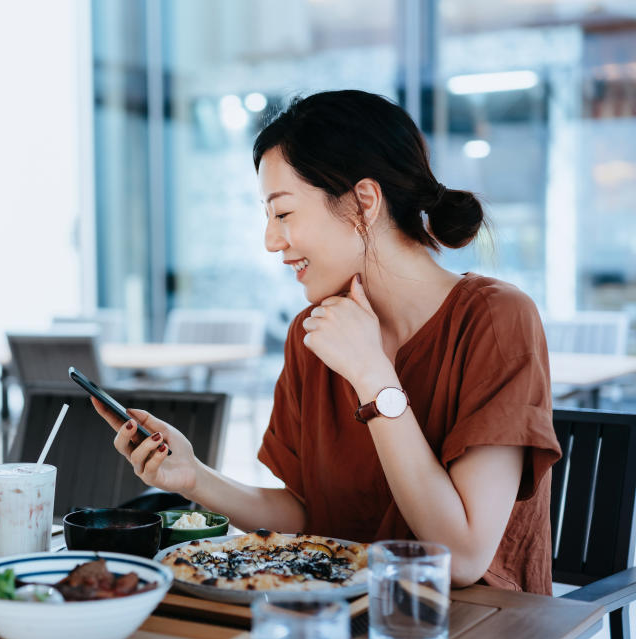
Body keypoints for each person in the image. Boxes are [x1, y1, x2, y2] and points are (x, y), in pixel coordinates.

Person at [91, 90, 561, 594]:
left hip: (467, 623)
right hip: (339, 617)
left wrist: (374, 377)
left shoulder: (495, 318)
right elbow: (306, 514)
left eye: (284, 213)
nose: (271, 240)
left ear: (364, 201)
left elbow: (461, 557)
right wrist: (195, 477)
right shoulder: (311, 333)